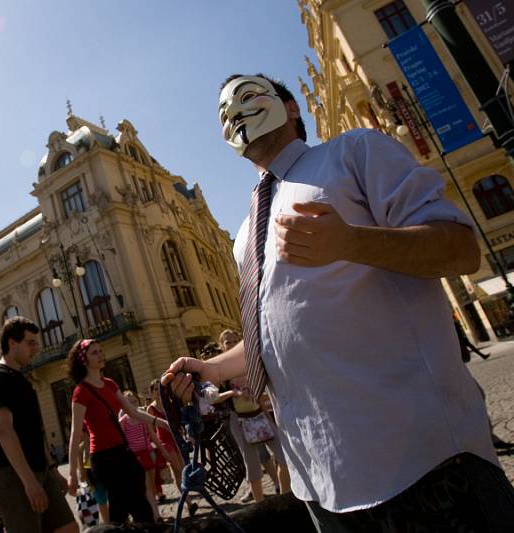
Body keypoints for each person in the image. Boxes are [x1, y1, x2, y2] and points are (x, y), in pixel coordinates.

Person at [163, 73, 514, 530]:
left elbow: (460, 248)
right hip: (322, 486)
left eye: (249, 96)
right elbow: (275, 332)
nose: (234, 113)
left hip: (422, 464)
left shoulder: (355, 152)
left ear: (291, 109)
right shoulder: (245, 234)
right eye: (224, 114)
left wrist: (351, 242)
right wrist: (211, 369)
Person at [0, 317, 77, 533]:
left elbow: (34, 433)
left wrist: (53, 471)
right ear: (12, 343)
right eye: (30, 342)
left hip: (39, 470)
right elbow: (4, 431)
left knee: (68, 528)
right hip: (12, 476)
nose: (36, 348)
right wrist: (29, 482)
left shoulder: (20, 379)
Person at [66, 339, 168, 524]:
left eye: (100, 351)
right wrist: (72, 472)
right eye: (94, 353)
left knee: (135, 499)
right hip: (104, 458)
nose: (100, 355)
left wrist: (161, 423)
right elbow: (75, 433)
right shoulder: (81, 392)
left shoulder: (110, 384)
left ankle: (145, 526)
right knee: (126, 504)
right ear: (83, 360)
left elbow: (133, 411)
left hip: (123, 451)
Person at [220, 330, 287, 503]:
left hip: (259, 414)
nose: (233, 344)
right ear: (222, 346)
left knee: (284, 455)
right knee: (253, 466)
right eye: (228, 342)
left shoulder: (249, 362)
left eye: (236, 340)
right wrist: (232, 393)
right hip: (240, 420)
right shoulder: (221, 371)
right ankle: (260, 503)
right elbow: (212, 395)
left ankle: (285, 495)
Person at [146, 380, 197, 517]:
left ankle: (187, 500)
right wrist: (160, 449)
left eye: (159, 389)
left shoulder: (168, 402)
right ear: (151, 392)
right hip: (165, 443)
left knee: (184, 469)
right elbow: (152, 432)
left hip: (177, 440)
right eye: (155, 389)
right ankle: (189, 503)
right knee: (178, 471)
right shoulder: (151, 409)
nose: (158, 392)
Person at [119, 390, 169, 521]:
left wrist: (161, 451)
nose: (132, 404)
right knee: (146, 487)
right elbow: (122, 442)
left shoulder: (143, 416)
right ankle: (155, 516)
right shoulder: (123, 421)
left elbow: (152, 436)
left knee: (151, 486)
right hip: (134, 457)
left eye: (134, 401)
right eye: (129, 402)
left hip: (147, 454)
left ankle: (153, 513)